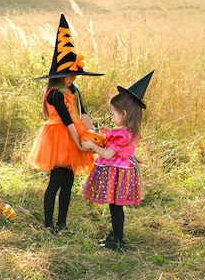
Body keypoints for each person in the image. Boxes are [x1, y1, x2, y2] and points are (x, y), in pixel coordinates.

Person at [27, 14, 103, 233]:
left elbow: (82, 114)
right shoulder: (54, 94)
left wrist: (94, 134)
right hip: (60, 137)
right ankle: (48, 224)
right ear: (58, 75)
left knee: (69, 183)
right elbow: (67, 120)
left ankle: (63, 223)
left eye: (74, 75)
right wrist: (79, 143)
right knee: (56, 182)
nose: (73, 78)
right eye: (69, 75)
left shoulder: (74, 90)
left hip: (75, 134)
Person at [82, 70, 154, 252]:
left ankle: (118, 240)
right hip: (124, 171)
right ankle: (116, 235)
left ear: (124, 113)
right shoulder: (130, 130)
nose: (112, 119)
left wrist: (93, 145)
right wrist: (109, 132)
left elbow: (107, 154)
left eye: (113, 115)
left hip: (116, 173)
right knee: (117, 207)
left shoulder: (120, 134)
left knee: (115, 208)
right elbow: (121, 144)